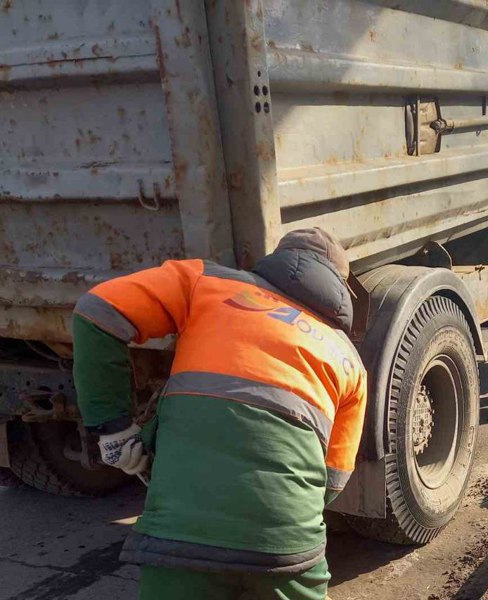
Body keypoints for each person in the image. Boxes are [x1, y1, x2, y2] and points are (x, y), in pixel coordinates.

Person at [72, 228, 367, 600]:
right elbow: (334, 480)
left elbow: (97, 311)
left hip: (178, 539)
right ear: (340, 287)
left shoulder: (205, 282)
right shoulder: (350, 361)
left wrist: (114, 429)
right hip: (289, 551)